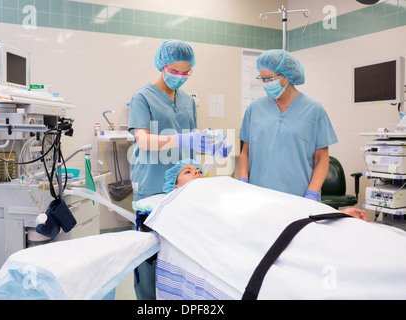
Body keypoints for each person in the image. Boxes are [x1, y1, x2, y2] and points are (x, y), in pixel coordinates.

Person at [128, 39, 218, 300]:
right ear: (162, 65)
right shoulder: (142, 97)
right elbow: (143, 140)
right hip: (152, 184)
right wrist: (182, 139)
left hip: (184, 188)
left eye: (186, 72)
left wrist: (210, 146)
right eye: (175, 71)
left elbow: (191, 142)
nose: (180, 77)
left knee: (179, 254)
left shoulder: (188, 100)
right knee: (150, 256)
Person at [239, 49, 338, 202]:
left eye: (270, 79)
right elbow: (245, 152)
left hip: (299, 198)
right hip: (258, 196)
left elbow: (322, 159)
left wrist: (312, 193)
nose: (265, 84)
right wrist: (243, 181)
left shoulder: (314, 110)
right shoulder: (254, 109)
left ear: (286, 77)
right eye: (262, 79)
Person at [164, 159, 368, 221]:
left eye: (199, 170)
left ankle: (334, 214)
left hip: (250, 205)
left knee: (282, 206)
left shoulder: (217, 186)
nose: (197, 172)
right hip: (241, 217)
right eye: (188, 172)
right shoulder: (182, 203)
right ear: (176, 186)